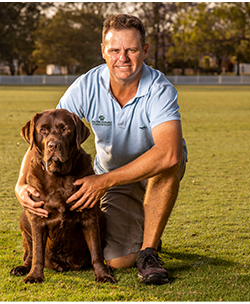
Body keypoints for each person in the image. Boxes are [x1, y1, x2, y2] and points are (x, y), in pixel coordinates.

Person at [15, 14, 187, 285]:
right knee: (119, 260)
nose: (123, 58)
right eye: (115, 50)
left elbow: (169, 153)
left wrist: (102, 181)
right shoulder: (86, 86)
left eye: (131, 50)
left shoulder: (159, 89)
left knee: (168, 164)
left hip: (149, 172)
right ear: (103, 52)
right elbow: (49, 136)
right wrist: (21, 184)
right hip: (114, 176)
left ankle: (150, 252)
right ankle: (142, 229)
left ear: (144, 50)